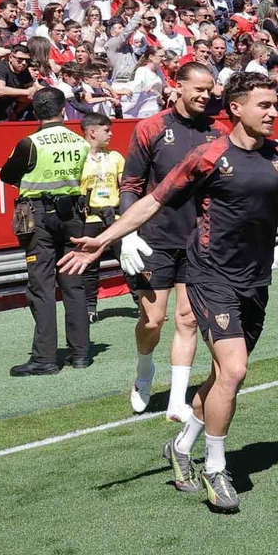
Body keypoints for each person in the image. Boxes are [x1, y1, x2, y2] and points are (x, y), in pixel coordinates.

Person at [62, 72, 278, 512]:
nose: (274, 112)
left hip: (255, 281)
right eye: (264, 105)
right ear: (236, 108)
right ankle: (216, 469)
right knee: (234, 371)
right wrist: (106, 240)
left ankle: (181, 446)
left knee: (221, 378)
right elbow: (152, 201)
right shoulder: (208, 156)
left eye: (276, 105)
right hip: (208, 277)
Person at [118, 63, 223, 422]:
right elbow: (131, 184)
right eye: (199, 89)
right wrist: (128, 232)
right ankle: (144, 371)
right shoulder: (151, 128)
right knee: (152, 320)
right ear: (176, 87)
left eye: (210, 90)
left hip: (198, 241)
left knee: (187, 319)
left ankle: (178, 399)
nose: (205, 96)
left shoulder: (218, 132)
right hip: (154, 239)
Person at [0, 88, 90, 375]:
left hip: (39, 217)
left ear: (36, 112)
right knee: (74, 285)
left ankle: (45, 358)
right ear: (63, 109)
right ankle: (81, 354)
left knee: (42, 287)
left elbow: (6, 175)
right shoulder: (81, 141)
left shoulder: (30, 143)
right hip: (74, 214)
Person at [78, 112, 124, 323]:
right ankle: (89, 308)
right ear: (92, 132)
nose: (111, 134)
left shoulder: (115, 157)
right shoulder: (78, 157)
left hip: (115, 217)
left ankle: (141, 304)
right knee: (89, 267)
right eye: (107, 130)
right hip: (90, 219)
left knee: (129, 261)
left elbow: (126, 187)